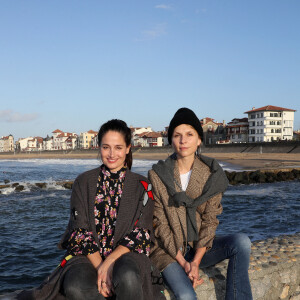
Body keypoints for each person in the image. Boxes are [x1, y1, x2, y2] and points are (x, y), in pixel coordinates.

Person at [17, 119, 164, 300]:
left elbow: (141, 233)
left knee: (128, 278)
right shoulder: (83, 181)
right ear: (98, 147)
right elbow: (80, 231)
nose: (111, 154)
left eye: (118, 147)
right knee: (76, 286)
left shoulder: (143, 185)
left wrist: (109, 262)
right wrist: (101, 267)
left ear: (128, 148)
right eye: (106, 147)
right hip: (88, 255)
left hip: (128, 254)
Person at [149, 108, 253, 300]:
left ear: (199, 140)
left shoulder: (211, 174)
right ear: (171, 140)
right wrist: (183, 262)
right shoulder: (158, 175)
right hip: (169, 252)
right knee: (186, 295)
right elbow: (160, 224)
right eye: (177, 135)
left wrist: (195, 262)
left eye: (189, 134)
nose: (183, 140)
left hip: (199, 248)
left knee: (241, 243)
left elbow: (210, 220)